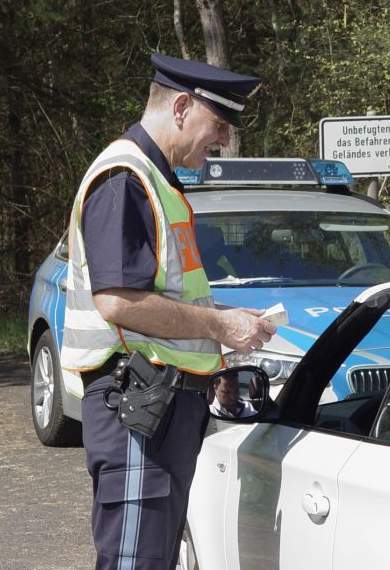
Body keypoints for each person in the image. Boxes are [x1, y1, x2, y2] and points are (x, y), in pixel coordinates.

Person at [59, 53, 275, 570]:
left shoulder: (157, 179)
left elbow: (169, 296)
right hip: (137, 408)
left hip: (159, 409)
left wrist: (222, 323)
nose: (223, 139)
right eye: (219, 124)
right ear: (181, 107)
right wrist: (221, 325)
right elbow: (117, 300)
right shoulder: (125, 177)